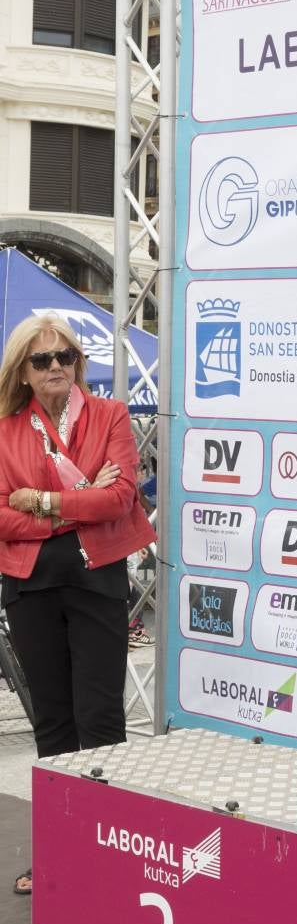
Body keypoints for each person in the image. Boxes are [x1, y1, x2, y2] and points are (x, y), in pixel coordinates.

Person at [0, 315, 157, 892]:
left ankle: (109, 849)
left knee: (101, 719)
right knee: (54, 724)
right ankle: (58, 853)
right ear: (23, 371)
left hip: (97, 581)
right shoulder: (5, 429)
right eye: (42, 360)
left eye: (65, 356)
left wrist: (41, 500)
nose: (56, 367)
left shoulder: (110, 415)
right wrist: (77, 500)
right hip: (30, 586)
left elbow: (118, 500)